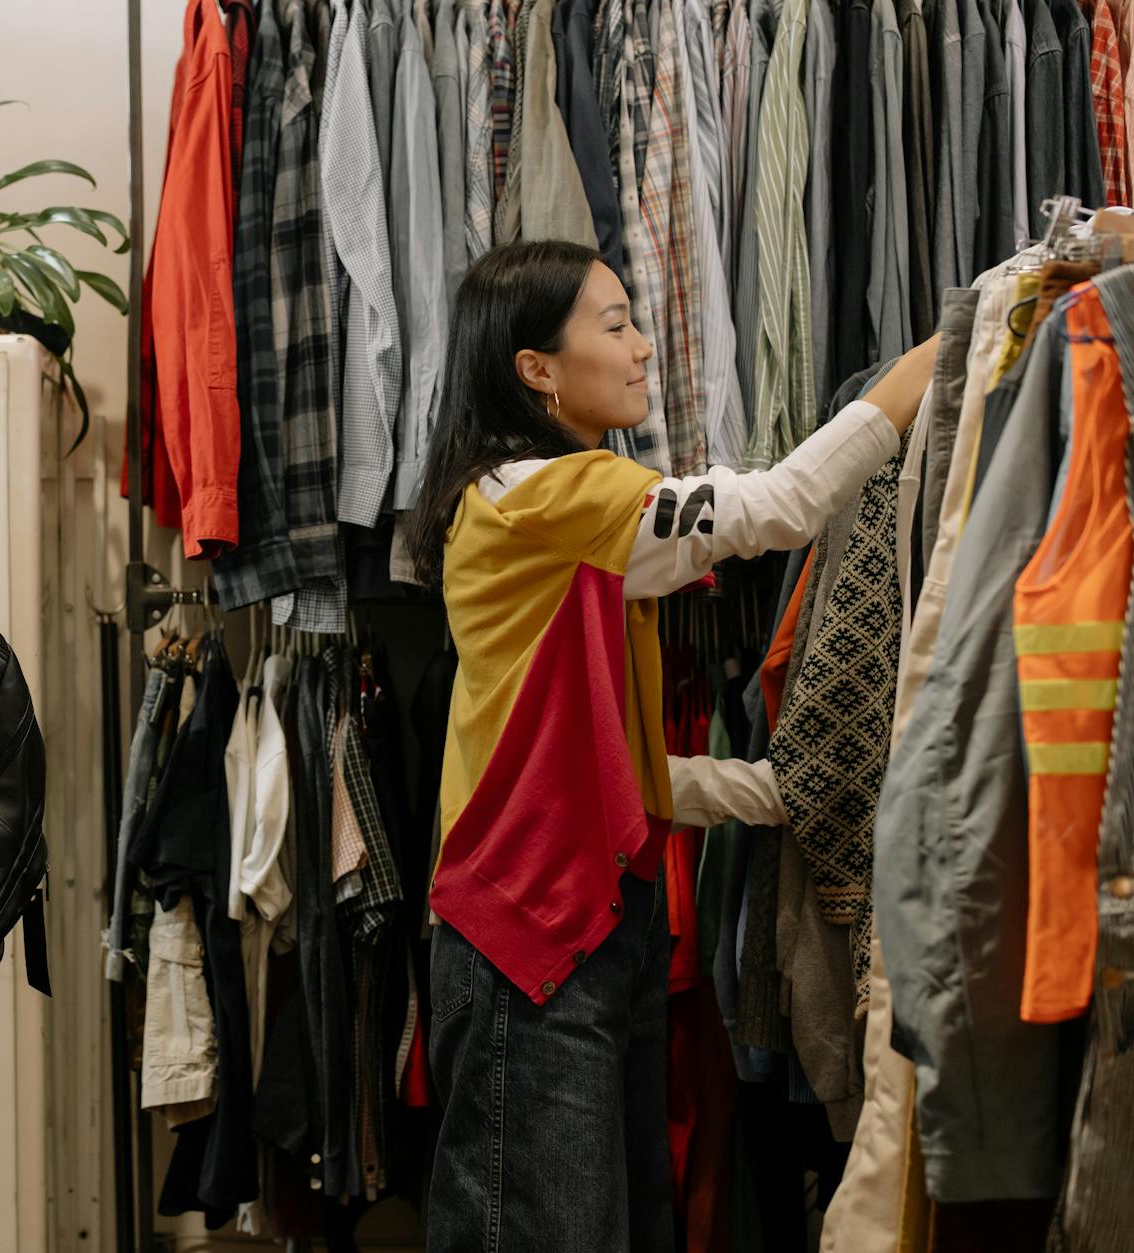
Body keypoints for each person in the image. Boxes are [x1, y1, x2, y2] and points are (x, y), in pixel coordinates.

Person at [402, 239, 938, 1251]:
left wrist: (778, 791)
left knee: (615, 1217)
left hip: (594, 921)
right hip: (532, 931)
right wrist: (924, 364)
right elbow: (775, 509)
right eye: (612, 326)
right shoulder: (540, 493)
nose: (645, 347)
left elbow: (609, 767)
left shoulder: (570, 515)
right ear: (535, 369)